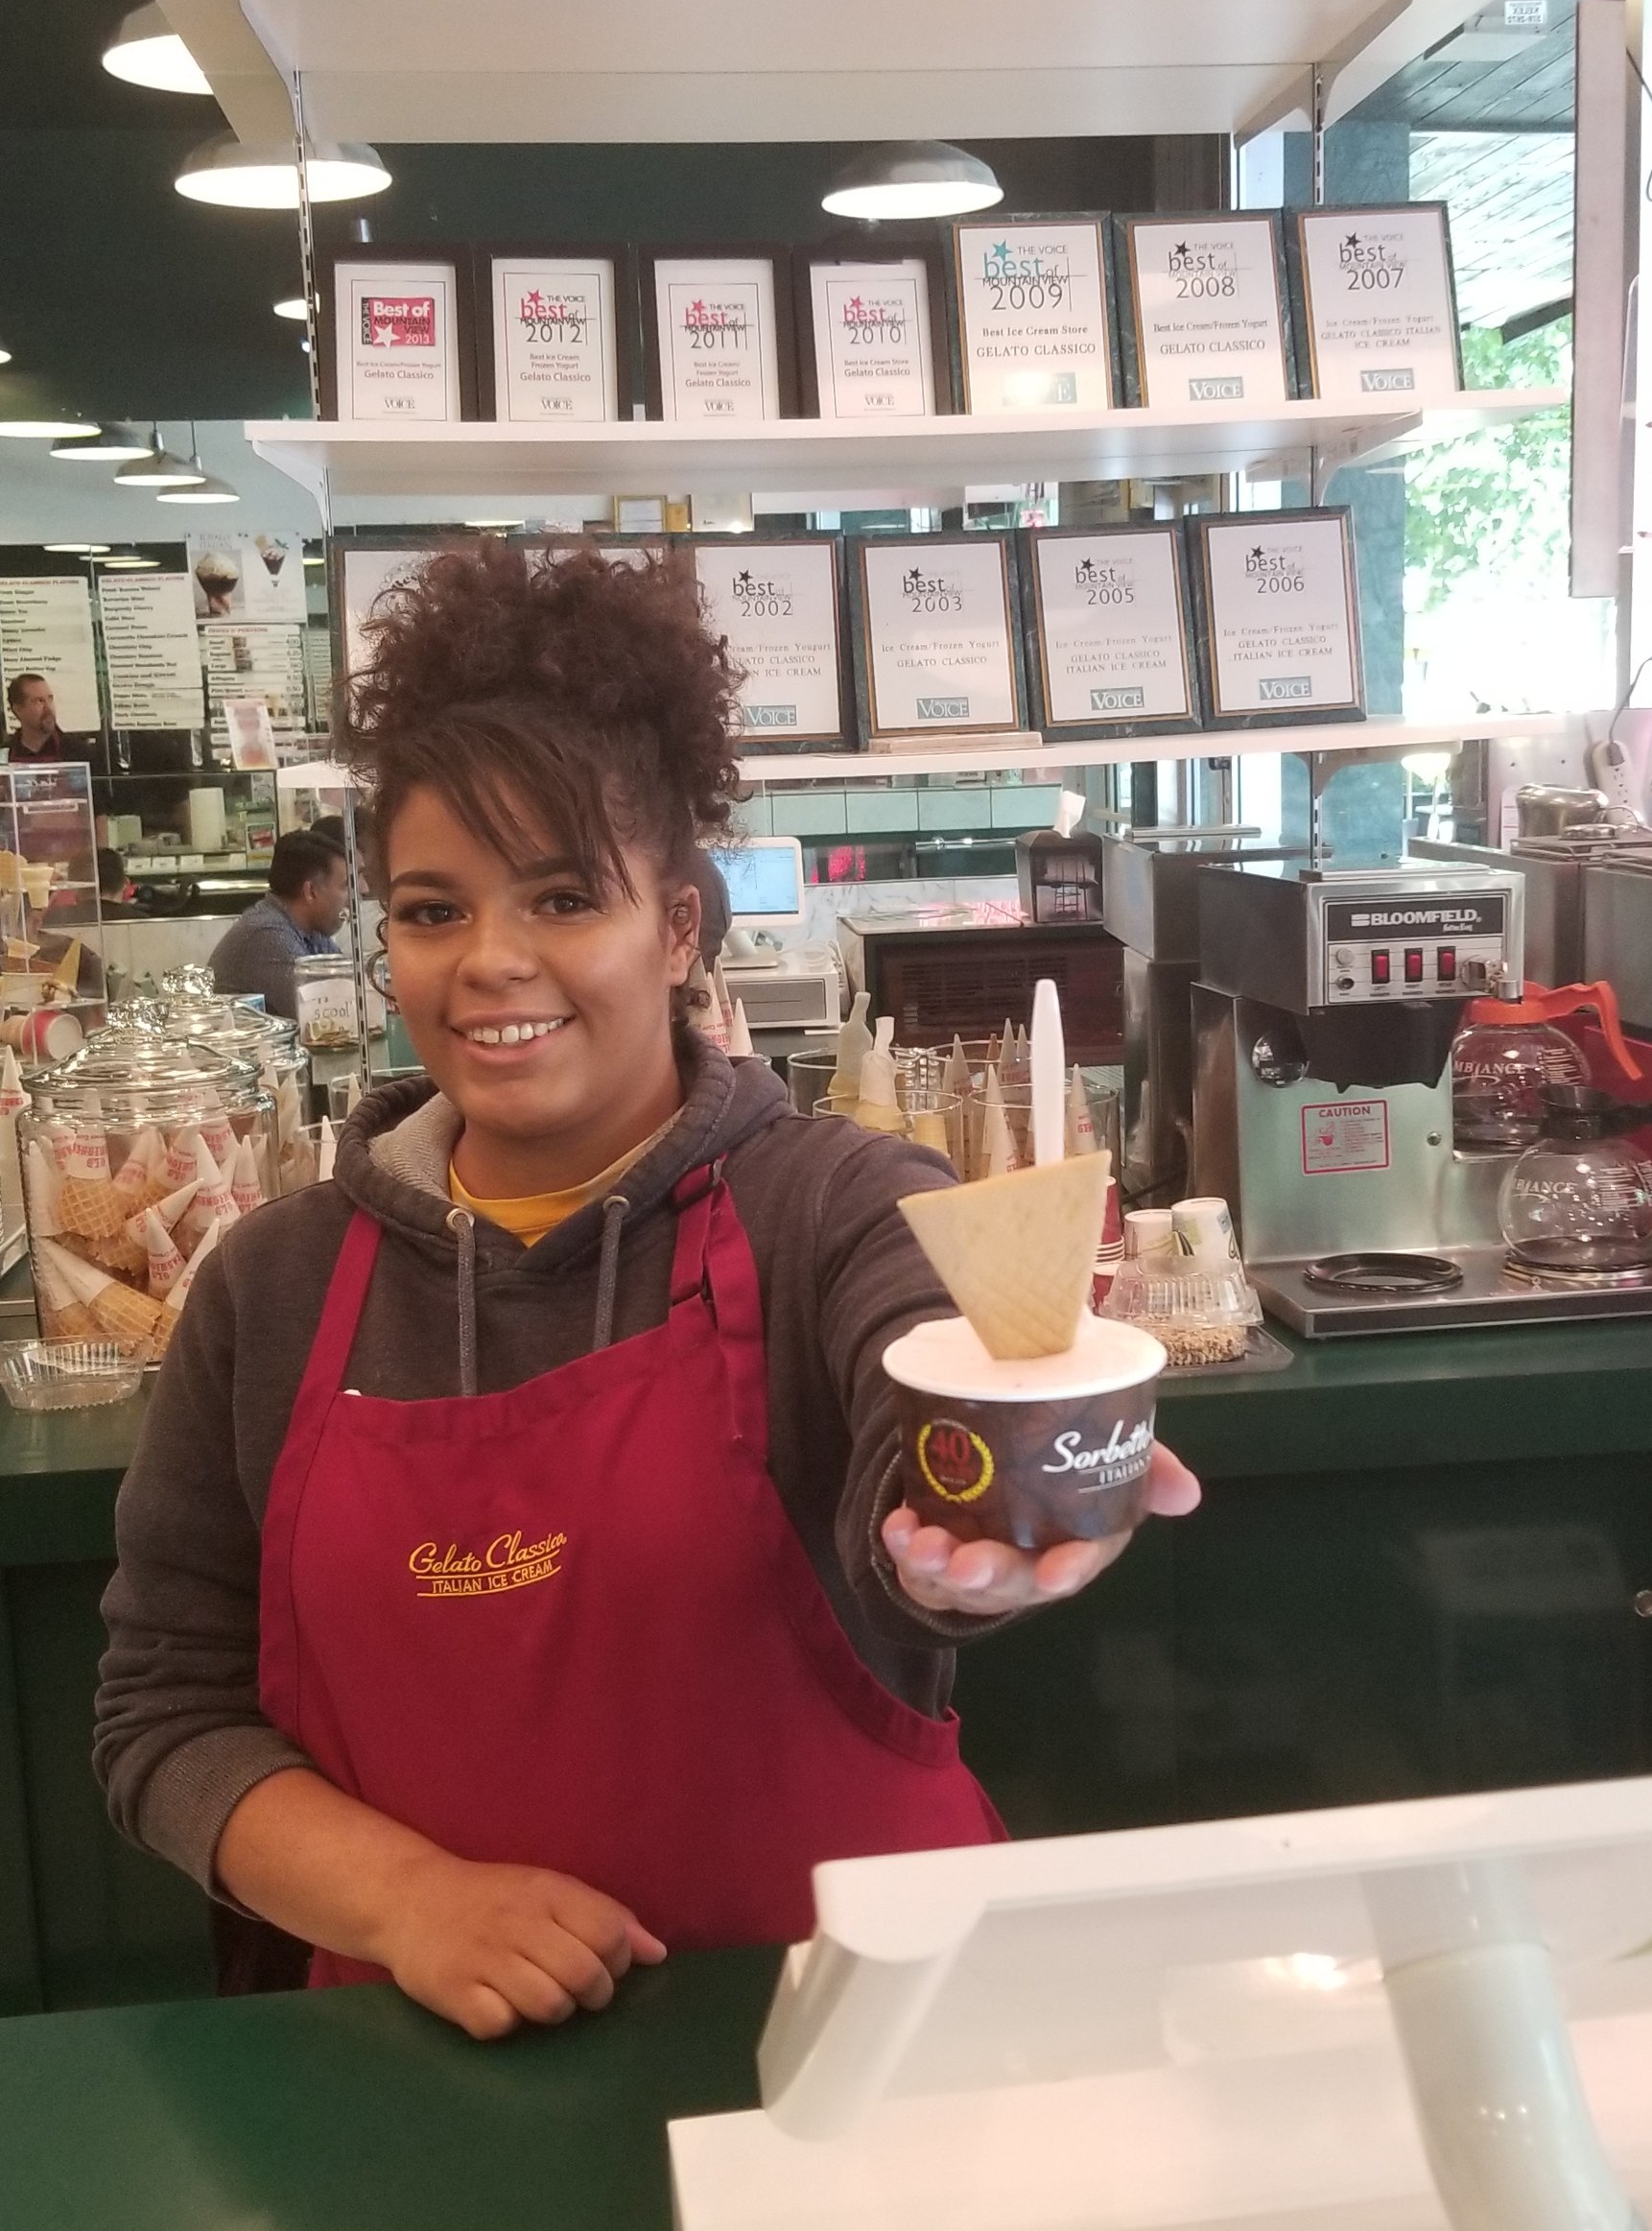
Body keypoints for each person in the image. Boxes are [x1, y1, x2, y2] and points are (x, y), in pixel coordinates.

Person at [94, 545, 1197, 2036]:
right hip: (420, 2076)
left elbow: (913, 1380)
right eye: (431, 909)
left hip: (860, 2046)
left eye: (562, 895)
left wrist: (975, 1502)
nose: (489, 962)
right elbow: (164, 1719)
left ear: (680, 923)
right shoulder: (271, 1287)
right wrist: (409, 1900)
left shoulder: (832, 1206)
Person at [203, 823, 351, 1018]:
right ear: (311, 892)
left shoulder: (312, 929)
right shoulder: (266, 935)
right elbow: (327, 1013)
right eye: (345, 886)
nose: (351, 898)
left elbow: (347, 983)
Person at [4, 672, 83, 766]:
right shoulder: (3, 758)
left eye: (50, 699)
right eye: (39, 701)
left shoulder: (81, 753)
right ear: (18, 709)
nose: (49, 708)